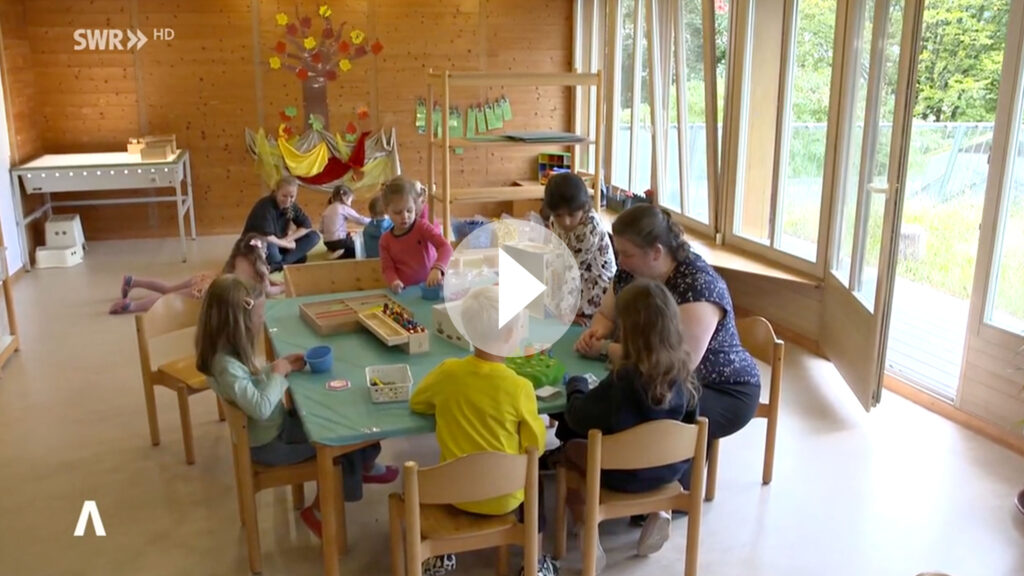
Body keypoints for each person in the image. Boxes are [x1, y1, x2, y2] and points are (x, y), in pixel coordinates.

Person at [195, 275, 399, 538]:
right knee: (338, 442)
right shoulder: (225, 366)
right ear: (236, 325)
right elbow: (259, 407)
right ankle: (318, 511)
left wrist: (280, 367)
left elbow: (250, 385)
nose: (260, 324)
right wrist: (278, 375)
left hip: (275, 430)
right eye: (258, 319)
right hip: (270, 446)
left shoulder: (224, 357)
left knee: (341, 418)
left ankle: (364, 465)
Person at [575, 203, 761, 483]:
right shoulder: (630, 271)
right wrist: (597, 332)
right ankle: (640, 483)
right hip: (662, 376)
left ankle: (669, 493)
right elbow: (605, 314)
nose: (620, 261)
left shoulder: (698, 286)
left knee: (644, 413)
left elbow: (672, 363)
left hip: (723, 388)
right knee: (627, 404)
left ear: (656, 253)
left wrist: (603, 350)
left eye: (626, 253)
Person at [410, 285, 557, 576]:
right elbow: (535, 448)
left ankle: (441, 554)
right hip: (505, 496)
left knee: (443, 465)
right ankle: (535, 563)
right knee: (534, 480)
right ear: (508, 336)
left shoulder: (448, 372)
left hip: (451, 492)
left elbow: (418, 403)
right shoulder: (519, 388)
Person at [554, 279, 699, 570]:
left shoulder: (624, 380)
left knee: (569, 450)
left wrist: (577, 387)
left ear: (630, 332)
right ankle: (659, 510)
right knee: (640, 447)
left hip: (619, 474)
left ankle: (586, 528)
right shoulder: (684, 374)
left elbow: (578, 416)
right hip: (668, 471)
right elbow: (689, 425)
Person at [110, 233, 284, 314]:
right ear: (264, 254)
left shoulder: (238, 259)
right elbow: (268, 291)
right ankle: (132, 306)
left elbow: (264, 282)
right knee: (170, 299)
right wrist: (284, 286)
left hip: (206, 278)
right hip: (207, 291)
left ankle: (134, 281)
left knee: (169, 290)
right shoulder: (259, 272)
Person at [543, 172, 616, 326]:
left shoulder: (589, 227)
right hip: (573, 270)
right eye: (559, 215)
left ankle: (579, 313)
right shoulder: (554, 221)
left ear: (583, 207)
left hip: (596, 282)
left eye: (571, 214)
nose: (566, 221)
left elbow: (573, 272)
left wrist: (565, 313)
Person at [378, 176, 453, 294]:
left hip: (432, 288)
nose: (404, 216)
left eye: (409, 210)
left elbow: (446, 247)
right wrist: (394, 281)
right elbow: (387, 268)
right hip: (407, 292)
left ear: (415, 207)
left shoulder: (422, 227)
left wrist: (438, 268)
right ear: (387, 211)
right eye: (397, 212)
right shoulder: (385, 240)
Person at [242, 175, 321, 272]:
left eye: (292, 197)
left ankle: (279, 265)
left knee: (314, 236)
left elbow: (306, 226)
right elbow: (267, 236)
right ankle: (288, 260)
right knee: (275, 256)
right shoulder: (265, 206)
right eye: (284, 196)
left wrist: (288, 239)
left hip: (280, 241)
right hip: (261, 242)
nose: (288, 200)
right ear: (276, 192)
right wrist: (286, 245)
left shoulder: (291, 206)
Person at [321, 185, 370, 260]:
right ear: (344, 197)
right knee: (359, 249)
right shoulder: (343, 208)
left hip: (327, 243)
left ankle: (334, 251)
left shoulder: (327, 209)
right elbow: (359, 219)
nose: (350, 202)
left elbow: (321, 229)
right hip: (340, 242)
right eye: (350, 200)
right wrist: (374, 221)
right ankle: (341, 254)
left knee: (349, 238)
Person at [362, 194, 393, 259]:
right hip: (390, 262)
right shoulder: (394, 225)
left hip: (371, 263)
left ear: (371, 213)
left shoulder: (366, 229)